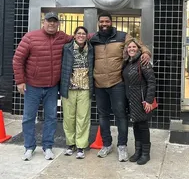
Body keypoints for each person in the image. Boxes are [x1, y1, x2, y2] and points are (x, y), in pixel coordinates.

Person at [90, 11, 151, 162]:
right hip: (99, 84)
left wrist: (145, 52)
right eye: (102, 22)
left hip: (117, 83)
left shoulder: (122, 36)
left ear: (111, 22)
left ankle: (122, 146)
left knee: (120, 116)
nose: (104, 24)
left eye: (107, 21)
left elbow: (137, 44)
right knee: (103, 116)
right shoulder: (94, 39)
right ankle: (106, 144)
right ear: (99, 23)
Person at [12, 12, 72, 161]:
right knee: (28, 118)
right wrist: (20, 81)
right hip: (32, 86)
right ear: (43, 22)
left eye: (54, 22)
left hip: (52, 87)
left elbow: (79, 38)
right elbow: (18, 59)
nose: (51, 24)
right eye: (49, 21)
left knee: (51, 118)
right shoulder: (30, 37)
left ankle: (48, 147)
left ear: (58, 24)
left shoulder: (62, 37)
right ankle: (29, 147)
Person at [60, 26, 94, 159]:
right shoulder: (66, 48)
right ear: (74, 35)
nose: (81, 36)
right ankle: (70, 144)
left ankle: (80, 146)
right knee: (68, 118)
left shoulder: (91, 49)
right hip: (68, 88)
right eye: (78, 33)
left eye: (83, 34)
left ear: (87, 36)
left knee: (83, 118)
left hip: (85, 88)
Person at [122, 39, 156, 165]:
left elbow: (151, 82)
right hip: (131, 100)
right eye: (129, 47)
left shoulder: (143, 61)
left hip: (142, 100)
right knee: (136, 125)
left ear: (138, 49)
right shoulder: (127, 62)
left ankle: (146, 154)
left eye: (134, 47)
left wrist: (148, 100)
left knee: (143, 126)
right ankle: (138, 151)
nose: (131, 49)